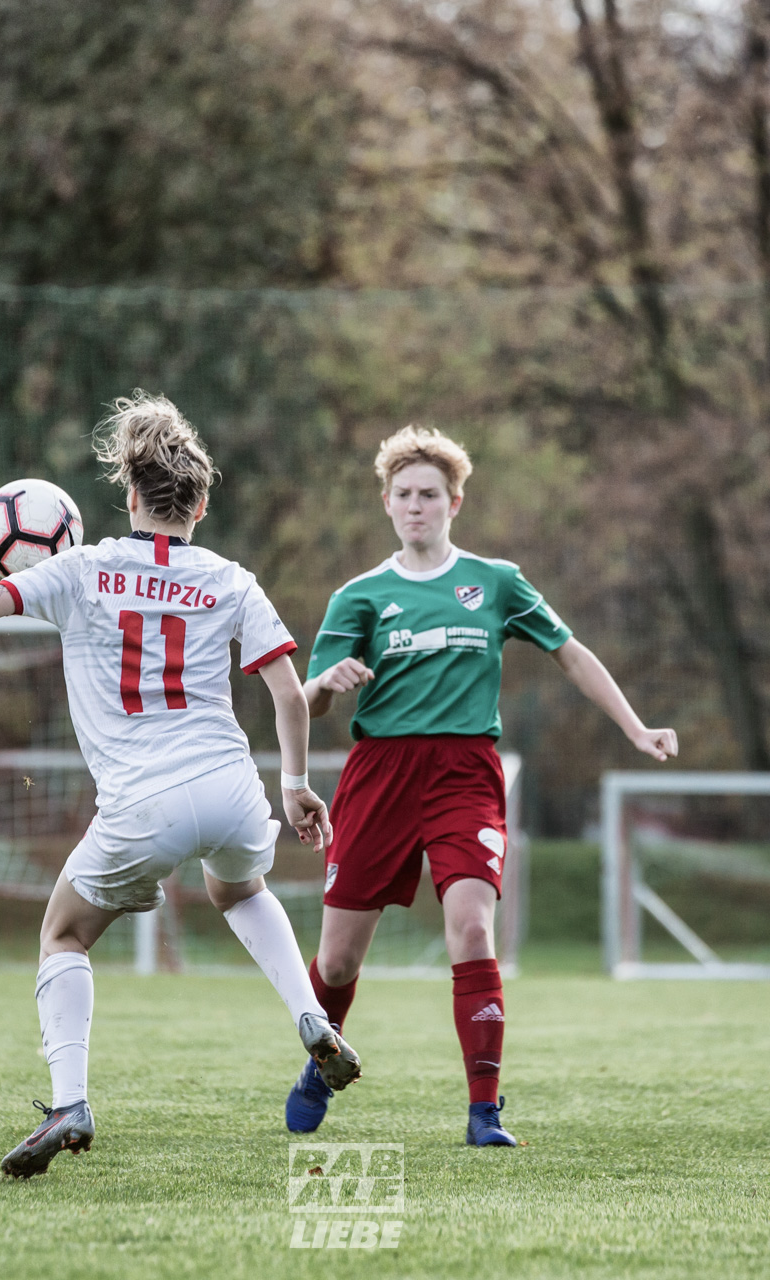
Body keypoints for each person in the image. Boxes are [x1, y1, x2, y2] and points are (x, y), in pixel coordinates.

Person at [0, 392, 363, 1180]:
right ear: (201, 499)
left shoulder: (81, 570)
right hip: (231, 786)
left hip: (143, 803)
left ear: (127, 496)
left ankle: (70, 1102)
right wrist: (295, 784)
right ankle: (310, 1018)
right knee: (240, 890)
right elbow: (290, 695)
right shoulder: (232, 579)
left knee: (63, 933)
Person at [284, 425, 679, 1146]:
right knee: (338, 957)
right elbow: (302, 701)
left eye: (429, 495)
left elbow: (571, 654)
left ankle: (484, 1112)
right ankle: (322, 1058)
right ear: (386, 503)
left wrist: (634, 726)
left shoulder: (495, 582)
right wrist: (325, 684)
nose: (415, 506)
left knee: (471, 928)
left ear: (454, 502)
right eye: (403, 495)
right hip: (380, 776)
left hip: (465, 773)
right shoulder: (360, 597)